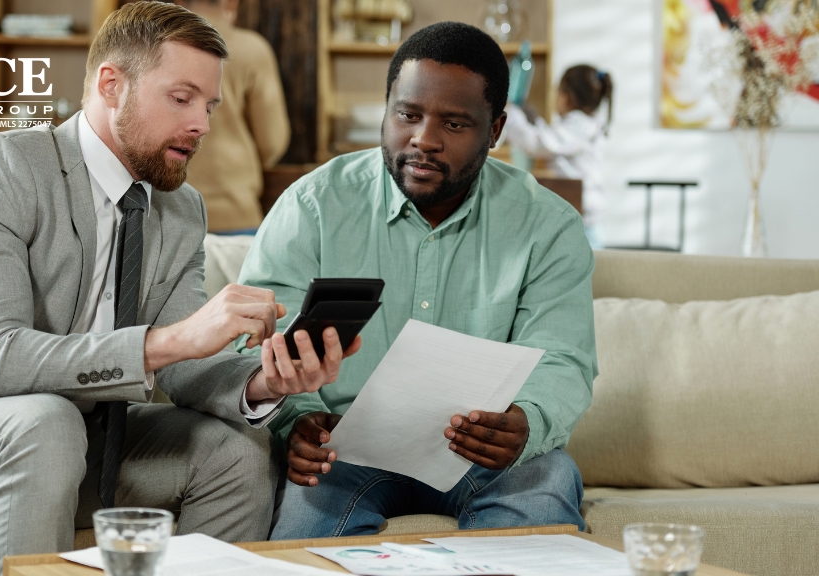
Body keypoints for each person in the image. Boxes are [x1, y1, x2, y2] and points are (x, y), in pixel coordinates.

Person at [0, 4, 357, 575]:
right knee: (44, 422)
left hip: (84, 443)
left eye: (210, 105)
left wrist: (268, 380)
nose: (203, 125)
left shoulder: (181, 209)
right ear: (111, 85)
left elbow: (187, 369)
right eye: (181, 98)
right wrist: (172, 339)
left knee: (236, 450)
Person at [236, 21, 597, 539]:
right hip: (344, 449)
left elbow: (564, 357)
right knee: (304, 536)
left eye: (454, 124)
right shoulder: (313, 205)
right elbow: (258, 340)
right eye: (407, 114)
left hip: (479, 453)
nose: (423, 140)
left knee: (548, 480)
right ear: (387, 110)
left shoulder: (547, 225)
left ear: (494, 131)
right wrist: (300, 421)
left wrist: (527, 421)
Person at [174, 0, 290, 234]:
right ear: (231, 2)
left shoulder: (152, 46)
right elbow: (273, 142)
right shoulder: (252, 49)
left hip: (167, 219)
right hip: (235, 212)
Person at [502, 64, 613, 248]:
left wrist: (511, 115)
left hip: (585, 226)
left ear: (567, 98)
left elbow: (537, 144)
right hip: (587, 221)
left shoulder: (579, 126)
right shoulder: (584, 125)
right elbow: (551, 138)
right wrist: (534, 119)